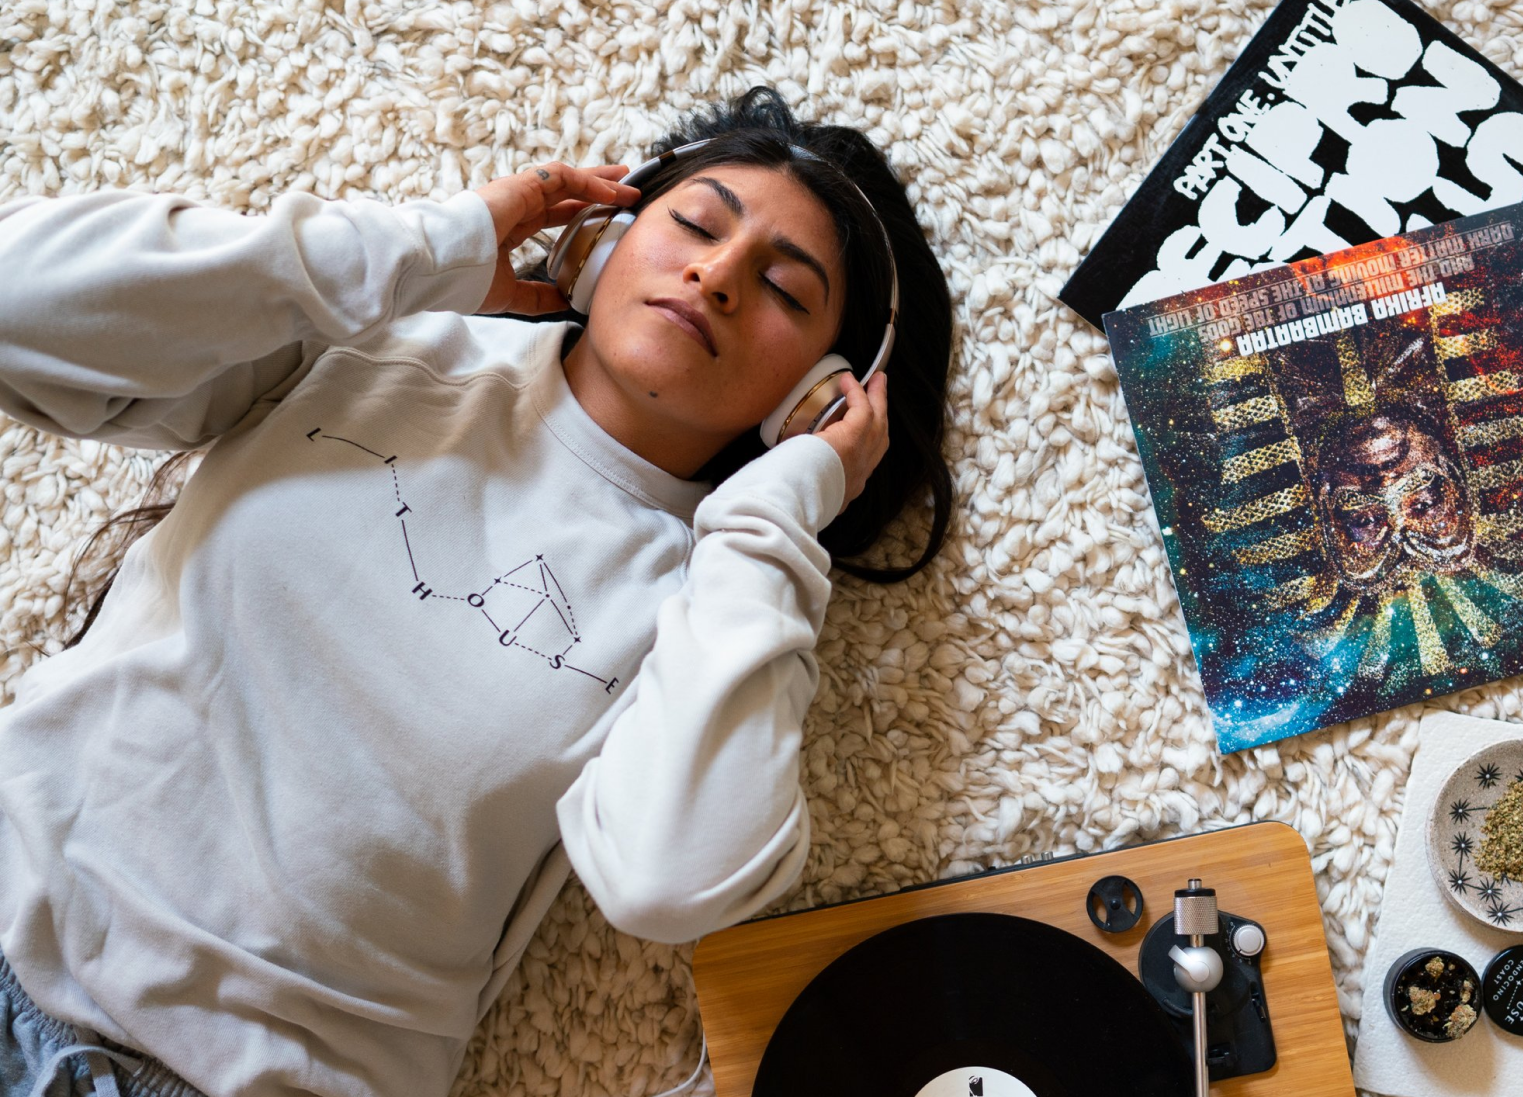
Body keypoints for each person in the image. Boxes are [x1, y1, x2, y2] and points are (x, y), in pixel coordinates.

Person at [0, 87, 954, 1097]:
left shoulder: (720, 602)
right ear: (603, 239)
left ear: (825, 394)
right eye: (694, 223)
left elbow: (673, 877)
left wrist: (775, 521)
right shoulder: (386, 331)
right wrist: (426, 247)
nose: (715, 274)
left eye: (785, 290)